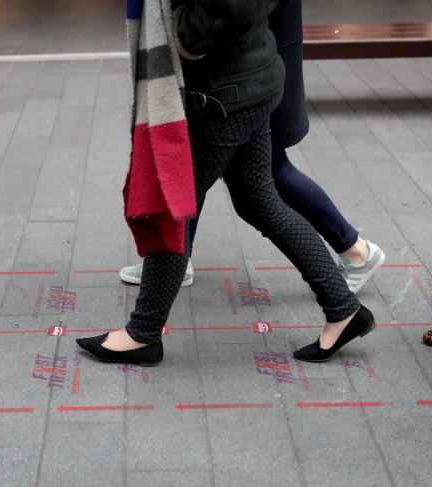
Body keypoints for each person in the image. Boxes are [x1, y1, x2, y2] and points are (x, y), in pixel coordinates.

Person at [77, 0, 376, 366]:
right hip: (251, 78)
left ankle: (142, 334)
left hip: (222, 94)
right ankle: (343, 309)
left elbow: (228, 8)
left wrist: (183, 31)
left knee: (173, 210)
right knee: (259, 201)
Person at [119, 0, 385, 294]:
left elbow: (235, 8)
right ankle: (173, 260)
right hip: (244, 62)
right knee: (214, 175)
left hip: (241, 67)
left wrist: (186, 33)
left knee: (257, 176)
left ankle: (355, 253)